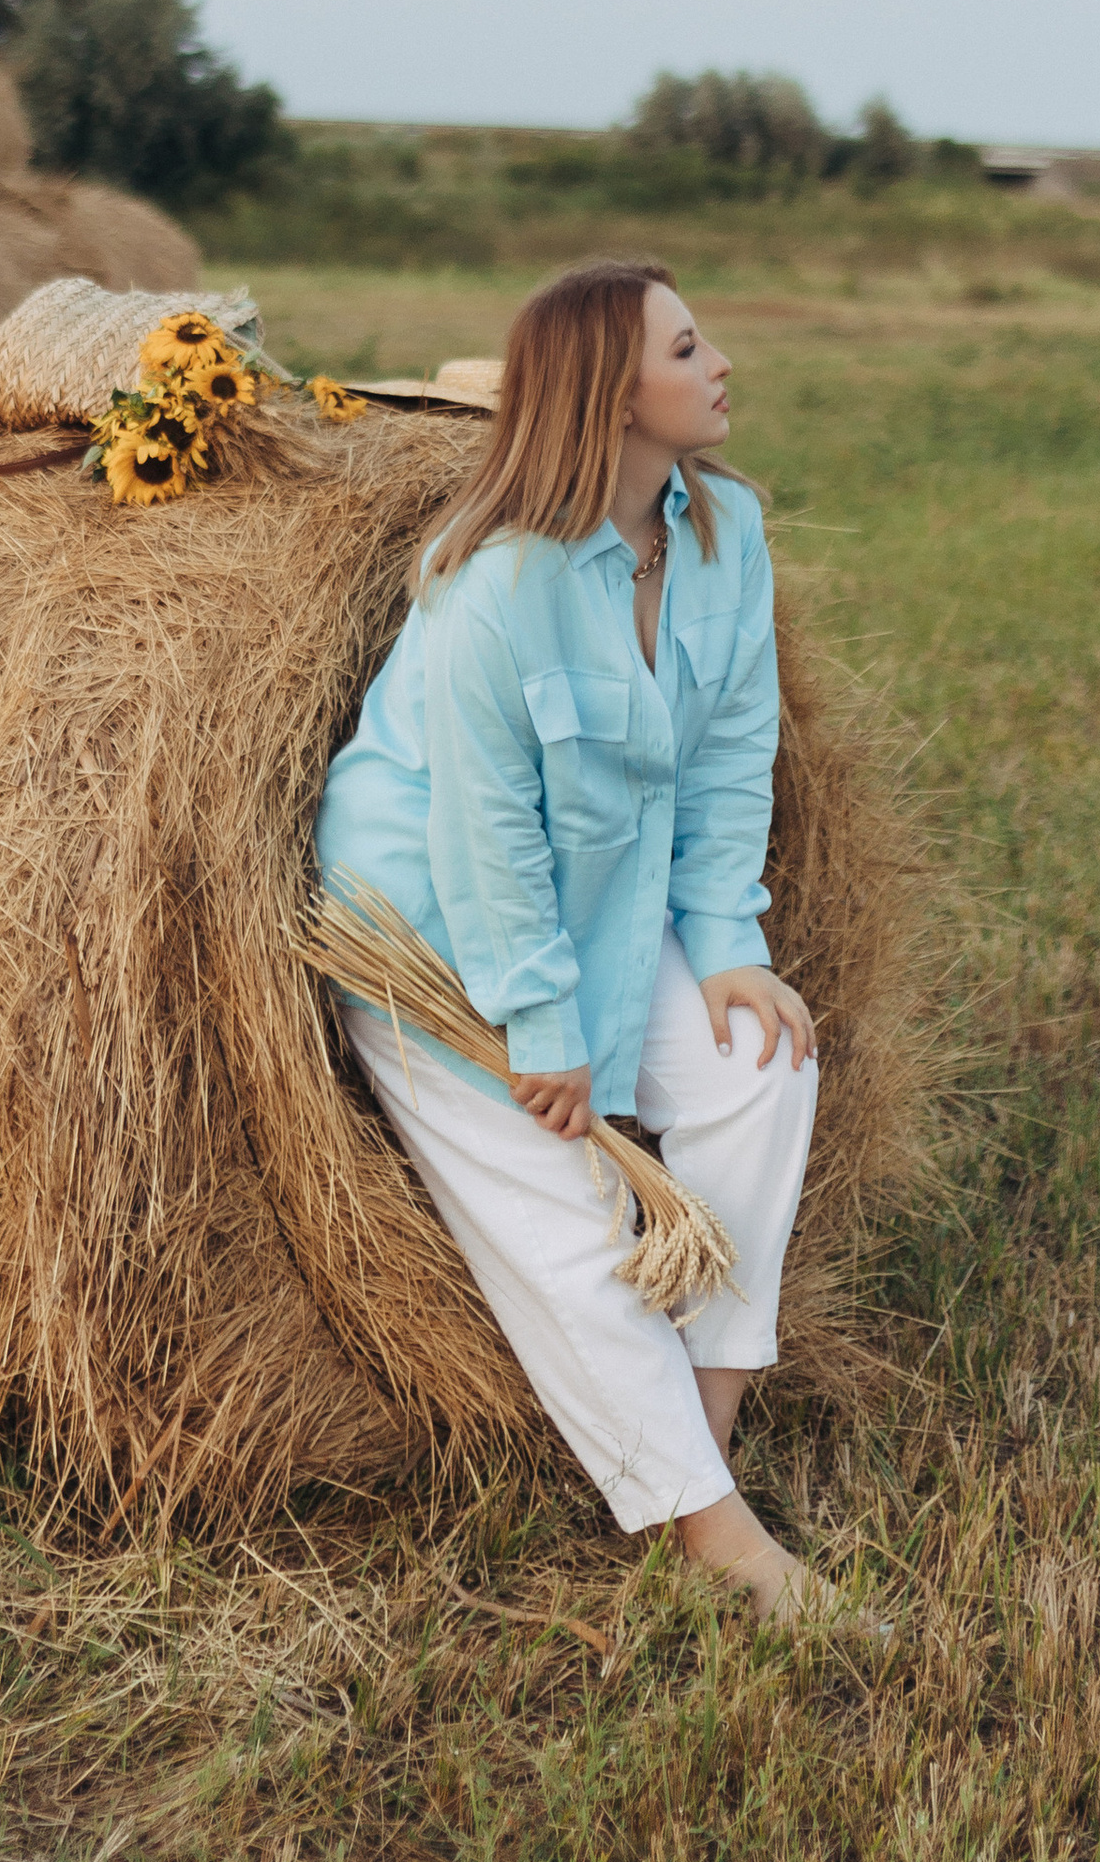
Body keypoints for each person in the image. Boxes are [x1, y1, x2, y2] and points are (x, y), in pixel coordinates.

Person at [316, 254, 823, 1618]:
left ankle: (700, 1437)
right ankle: (720, 1545)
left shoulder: (725, 536)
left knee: (764, 1071)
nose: (719, 367)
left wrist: (726, 942)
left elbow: (731, 756)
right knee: (563, 1226)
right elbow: (485, 838)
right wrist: (542, 1033)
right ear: (612, 396)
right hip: (433, 941)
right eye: (686, 349)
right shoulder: (495, 588)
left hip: (611, 903)